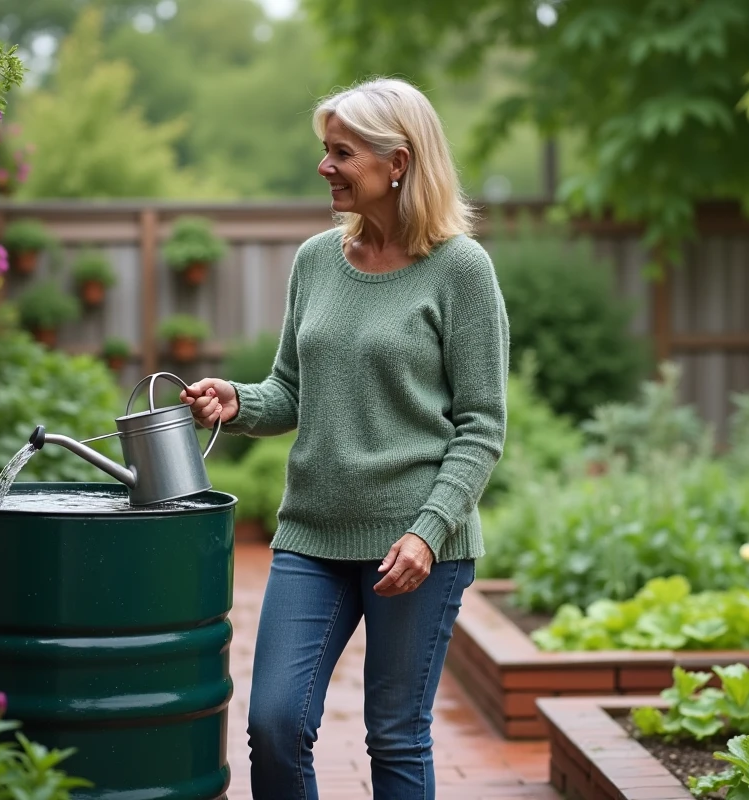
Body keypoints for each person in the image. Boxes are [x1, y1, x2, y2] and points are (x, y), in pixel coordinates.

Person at [180, 77, 509, 800]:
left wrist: (428, 533)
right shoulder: (316, 260)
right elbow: (291, 390)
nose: (324, 166)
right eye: (326, 150)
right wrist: (238, 402)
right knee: (273, 723)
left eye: (342, 153)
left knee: (395, 735)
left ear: (398, 162)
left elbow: (482, 425)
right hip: (313, 535)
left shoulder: (460, 270)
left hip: (416, 547)